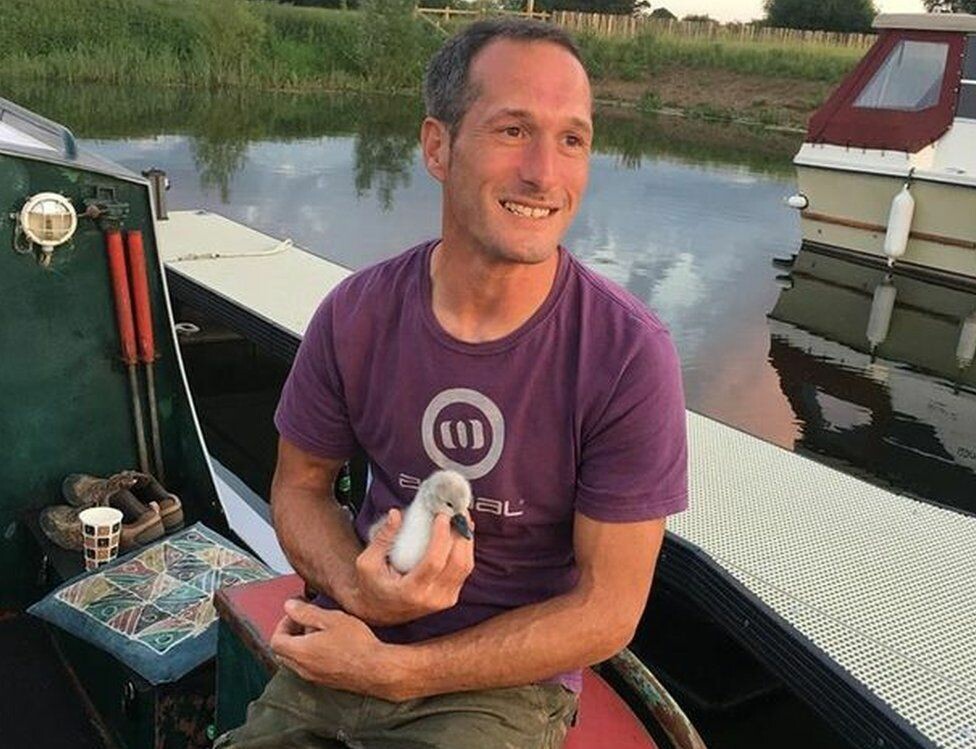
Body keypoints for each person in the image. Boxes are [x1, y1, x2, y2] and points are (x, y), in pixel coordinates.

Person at [218, 17, 687, 749]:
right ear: (438, 146)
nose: (544, 174)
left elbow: (608, 609)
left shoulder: (627, 354)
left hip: (501, 683)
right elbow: (301, 487)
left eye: (572, 139)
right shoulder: (357, 313)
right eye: (513, 131)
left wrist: (400, 673)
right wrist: (357, 586)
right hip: (351, 633)